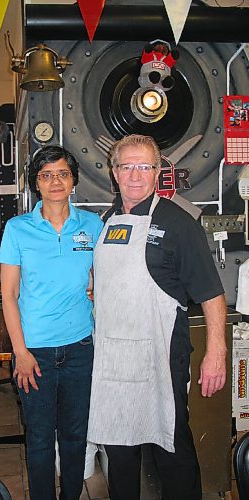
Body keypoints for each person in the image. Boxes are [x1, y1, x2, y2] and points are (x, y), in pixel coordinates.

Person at [87, 134, 226, 500]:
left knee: (172, 451)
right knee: (119, 454)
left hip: (160, 360)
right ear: (114, 173)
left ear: (158, 172)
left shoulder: (179, 225)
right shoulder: (105, 220)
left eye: (145, 166)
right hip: (113, 360)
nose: (135, 175)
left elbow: (211, 294)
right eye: (127, 166)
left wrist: (216, 354)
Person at [0, 145, 103, 499]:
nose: (55, 181)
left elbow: (102, 275)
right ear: (36, 184)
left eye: (62, 174)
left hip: (80, 348)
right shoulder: (17, 229)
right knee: (41, 439)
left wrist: (92, 284)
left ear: (73, 181)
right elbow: (8, 295)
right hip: (35, 353)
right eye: (46, 175)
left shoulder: (92, 224)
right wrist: (20, 352)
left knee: (75, 436)